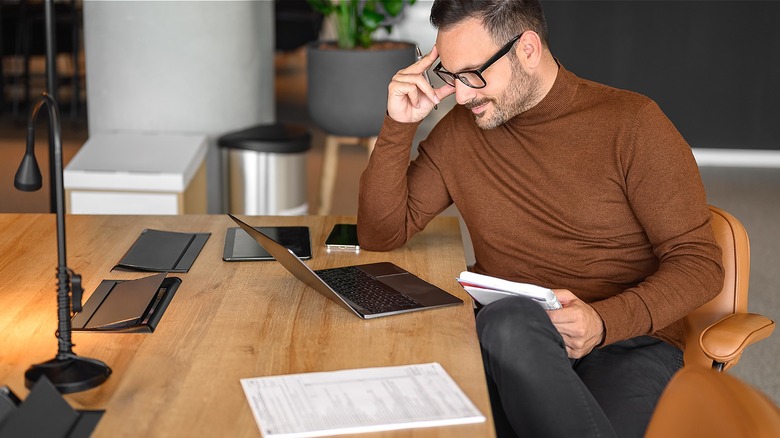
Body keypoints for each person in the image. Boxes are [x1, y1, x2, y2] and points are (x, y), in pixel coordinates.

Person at [356, 0, 725, 437]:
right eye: (450, 76)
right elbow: (381, 232)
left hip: (627, 342)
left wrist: (603, 322)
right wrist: (398, 125)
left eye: (473, 74)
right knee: (506, 324)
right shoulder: (461, 131)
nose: (462, 94)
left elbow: (700, 264)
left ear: (527, 49)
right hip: (509, 340)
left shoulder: (633, 124)